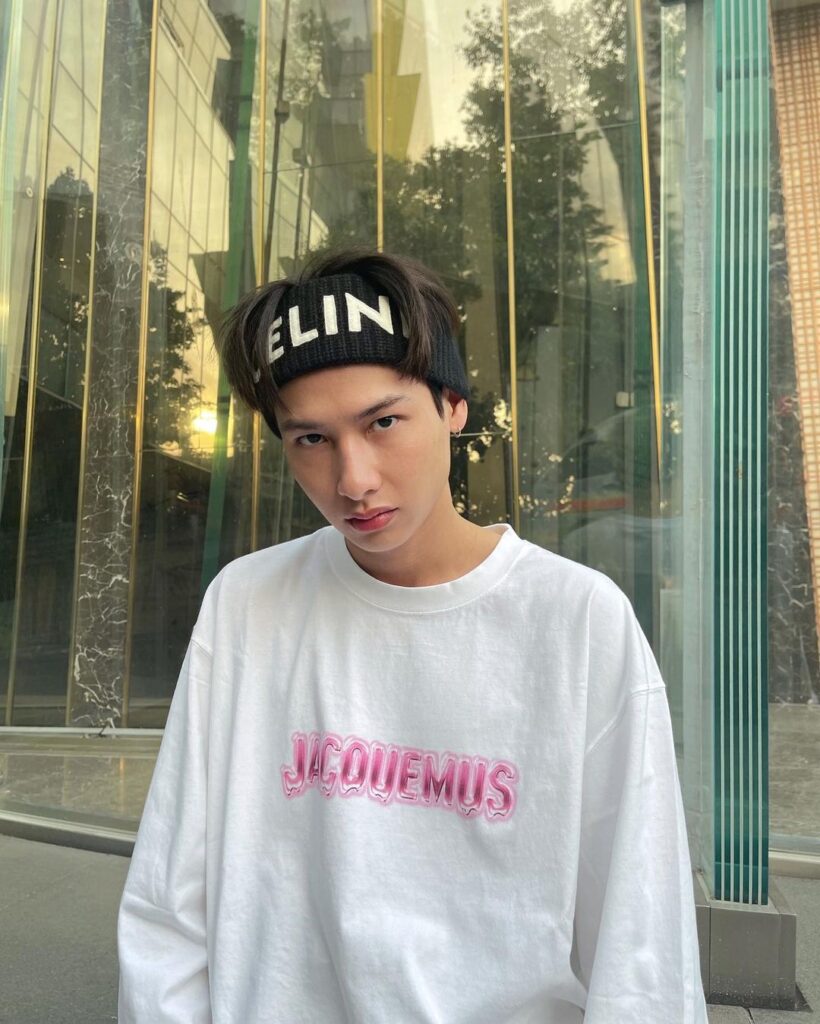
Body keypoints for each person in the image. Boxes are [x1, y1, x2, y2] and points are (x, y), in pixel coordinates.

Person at [117, 245, 709, 1022]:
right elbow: (169, 899)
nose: (354, 480)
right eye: (311, 439)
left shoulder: (576, 621)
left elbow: (641, 940)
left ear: (452, 405)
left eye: (383, 422)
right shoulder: (248, 605)